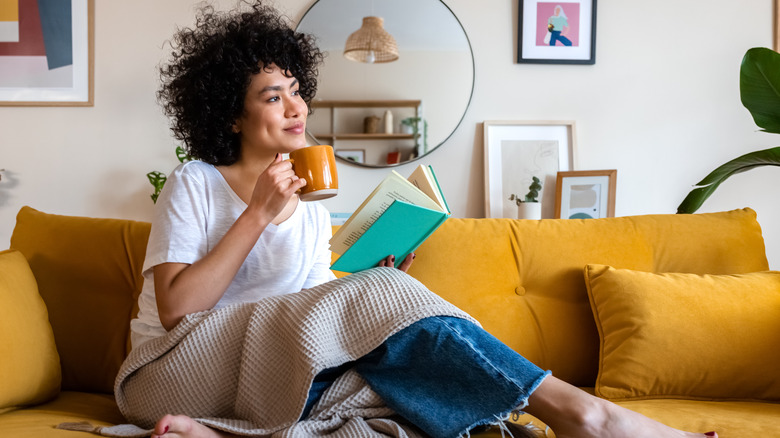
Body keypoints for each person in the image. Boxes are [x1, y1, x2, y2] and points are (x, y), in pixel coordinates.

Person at [125, 2, 719, 438]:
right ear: (231, 114)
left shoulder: (307, 206)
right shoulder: (195, 182)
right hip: (174, 370)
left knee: (404, 386)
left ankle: (217, 434)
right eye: (271, 95)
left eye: (296, 89)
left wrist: (375, 281)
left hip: (264, 371)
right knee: (397, 361)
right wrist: (256, 214)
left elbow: (308, 315)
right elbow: (178, 307)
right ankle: (585, 413)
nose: (295, 105)